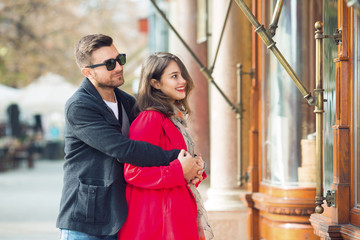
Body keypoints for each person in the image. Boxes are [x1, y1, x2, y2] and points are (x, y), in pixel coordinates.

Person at [56, 34, 204, 240]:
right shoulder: (79, 106)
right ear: (88, 72)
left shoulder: (127, 102)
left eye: (120, 59)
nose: (118, 67)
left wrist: (191, 164)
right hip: (85, 219)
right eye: (109, 64)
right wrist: (179, 158)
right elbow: (123, 149)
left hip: (119, 215)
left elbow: (147, 146)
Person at [118, 52, 214, 240]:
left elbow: (173, 163)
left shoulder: (172, 119)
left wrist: (195, 169)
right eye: (174, 76)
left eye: (182, 75)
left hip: (178, 212)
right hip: (160, 221)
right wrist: (180, 170)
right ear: (155, 83)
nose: (183, 81)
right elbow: (132, 172)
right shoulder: (150, 119)